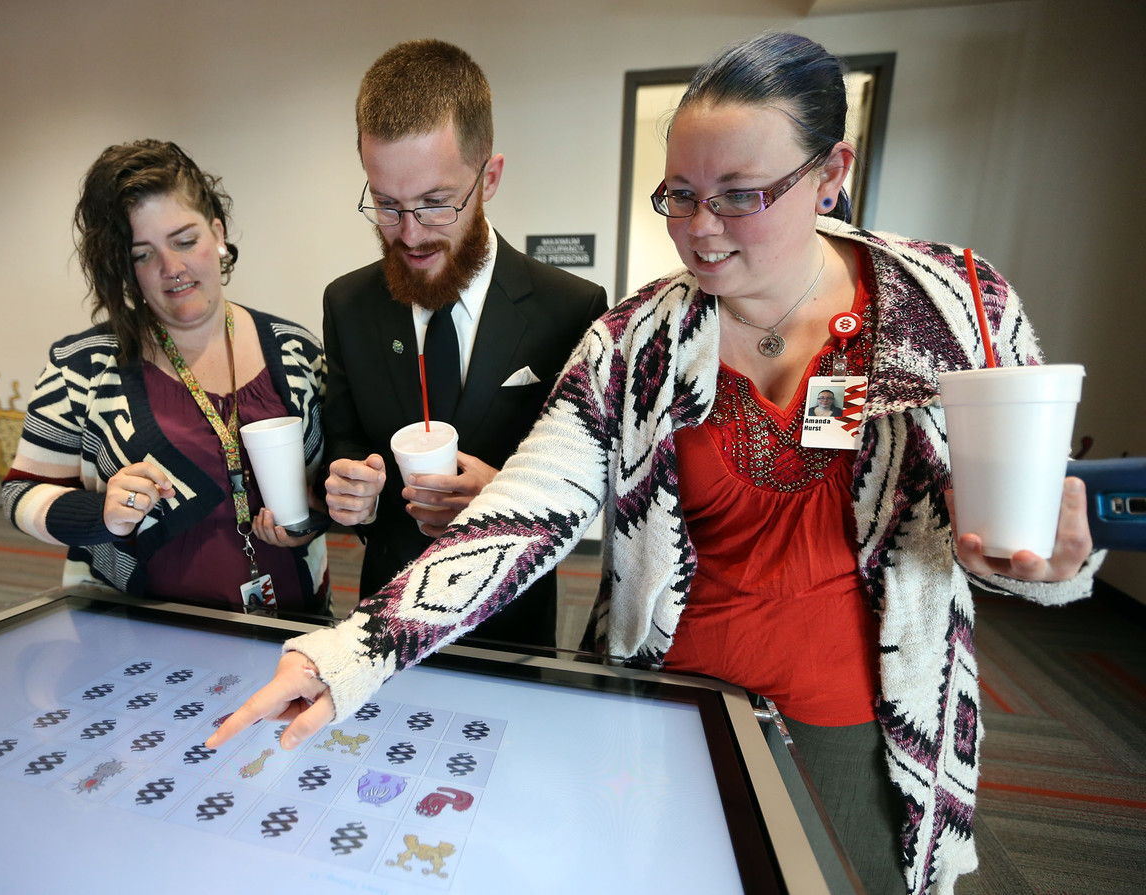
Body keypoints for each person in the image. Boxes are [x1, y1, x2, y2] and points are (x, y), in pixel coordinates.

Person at [208, 33, 1101, 895]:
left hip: (863, 717)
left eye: (738, 194)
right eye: (677, 194)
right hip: (674, 704)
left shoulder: (950, 305)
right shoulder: (635, 342)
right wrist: (350, 654)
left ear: (833, 174)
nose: (699, 230)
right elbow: (519, 513)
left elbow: (1004, 520)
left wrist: (1038, 571)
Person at [320, 40, 607, 647]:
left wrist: (500, 502)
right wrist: (352, 485)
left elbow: (589, 487)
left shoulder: (570, 307)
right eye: (387, 206)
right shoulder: (347, 305)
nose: (410, 235)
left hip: (512, 618)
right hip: (383, 617)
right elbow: (345, 438)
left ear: (490, 177)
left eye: (435, 205)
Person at [3, 140, 329, 615]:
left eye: (184, 240)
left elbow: (331, 483)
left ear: (217, 234)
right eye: (143, 255)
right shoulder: (82, 365)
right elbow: (20, 493)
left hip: (295, 628)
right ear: (124, 268)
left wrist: (317, 512)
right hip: (140, 636)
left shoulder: (296, 350)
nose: (171, 269)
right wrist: (102, 514)